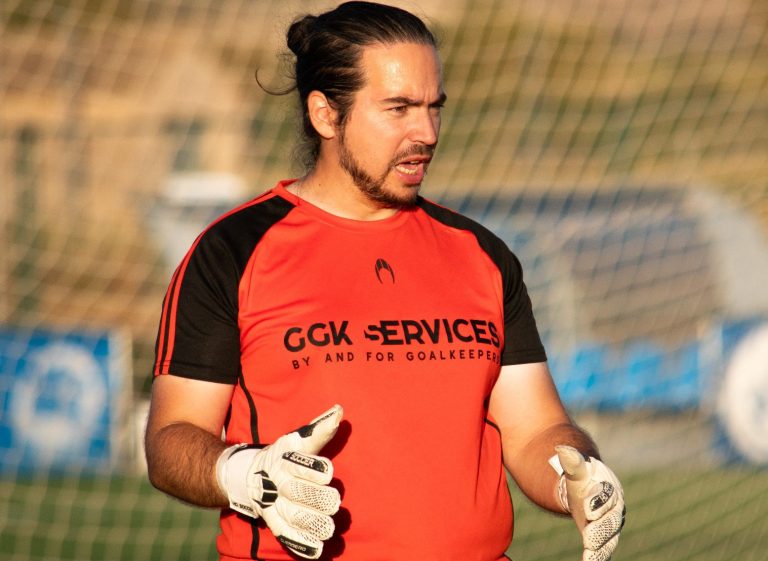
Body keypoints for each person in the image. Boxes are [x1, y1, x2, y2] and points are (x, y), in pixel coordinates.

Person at [144, 2, 626, 561]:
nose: (426, 132)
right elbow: (171, 439)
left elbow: (536, 430)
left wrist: (577, 480)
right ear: (326, 115)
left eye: (434, 107)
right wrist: (242, 473)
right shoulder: (232, 252)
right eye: (398, 108)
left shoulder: (483, 255)